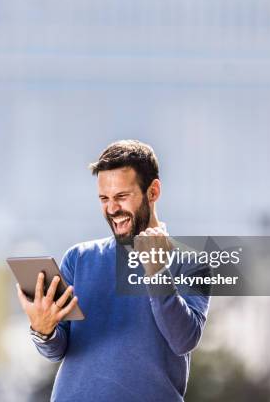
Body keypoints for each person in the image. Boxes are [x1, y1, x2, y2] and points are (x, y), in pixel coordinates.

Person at [16, 140, 210, 401]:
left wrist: (156, 270)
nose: (112, 209)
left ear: (153, 192)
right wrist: (43, 330)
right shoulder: (79, 258)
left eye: (121, 196)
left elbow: (183, 339)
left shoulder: (192, 262)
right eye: (104, 198)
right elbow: (56, 350)